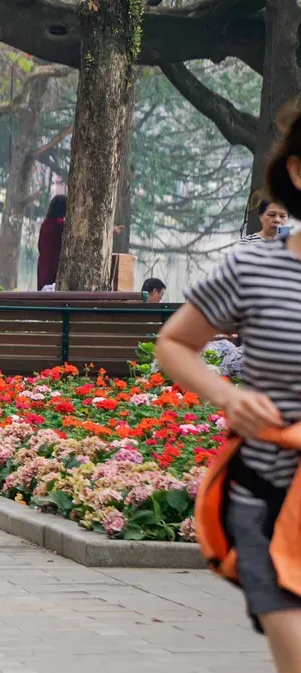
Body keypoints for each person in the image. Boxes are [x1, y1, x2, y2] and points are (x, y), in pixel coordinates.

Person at [156, 103, 301, 673]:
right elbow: (175, 343)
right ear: (296, 172)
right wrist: (228, 396)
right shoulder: (254, 268)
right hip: (268, 493)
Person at [37, 195, 68, 291]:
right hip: (55, 264)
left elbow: (40, 245)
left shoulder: (45, 223)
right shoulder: (61, 225)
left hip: (43, 264)